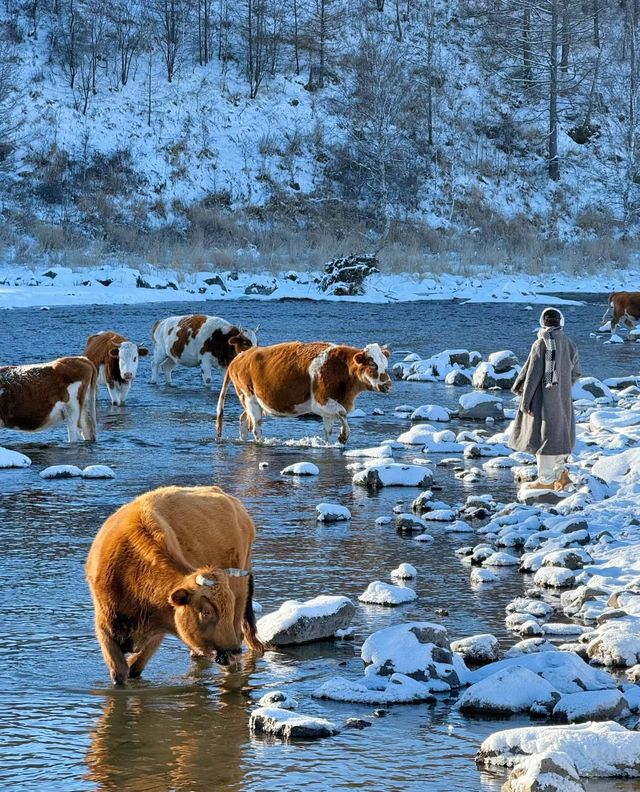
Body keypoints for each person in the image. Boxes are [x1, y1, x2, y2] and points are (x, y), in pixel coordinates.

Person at [510, 307, 581, 491]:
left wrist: (525, 402)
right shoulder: (569, 343)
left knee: (544, 438)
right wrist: (563, 387)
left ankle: (546, 480)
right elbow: (576, 372)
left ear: (543, 323)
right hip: (562, 399)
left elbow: (533, 376)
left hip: (544, 399)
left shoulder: (541, 344)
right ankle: (561, 475)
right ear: (561, 322)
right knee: (559, 435)